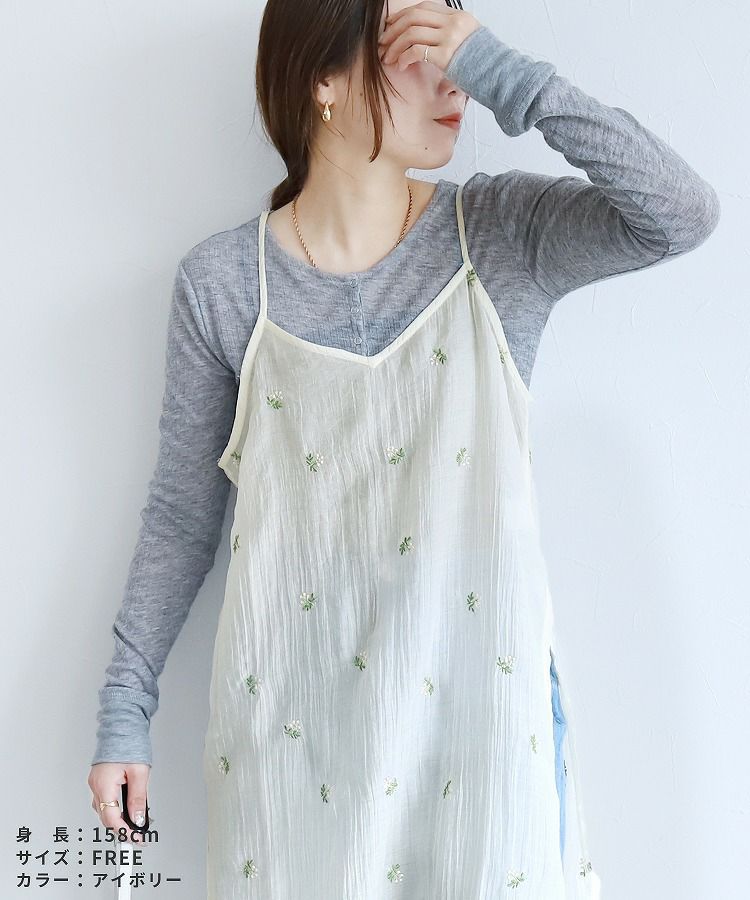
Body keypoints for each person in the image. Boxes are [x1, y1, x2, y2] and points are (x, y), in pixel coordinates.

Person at [87, 1, 720, 897]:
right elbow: (183, 517)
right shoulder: (224, 286)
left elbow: (680, 212)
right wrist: (125, 706)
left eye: (458, 42)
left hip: (482, 756)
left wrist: (506, 71)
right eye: (419, 43)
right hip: (293, 759)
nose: (454, 77)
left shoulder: (498, 239)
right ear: (324, 78)